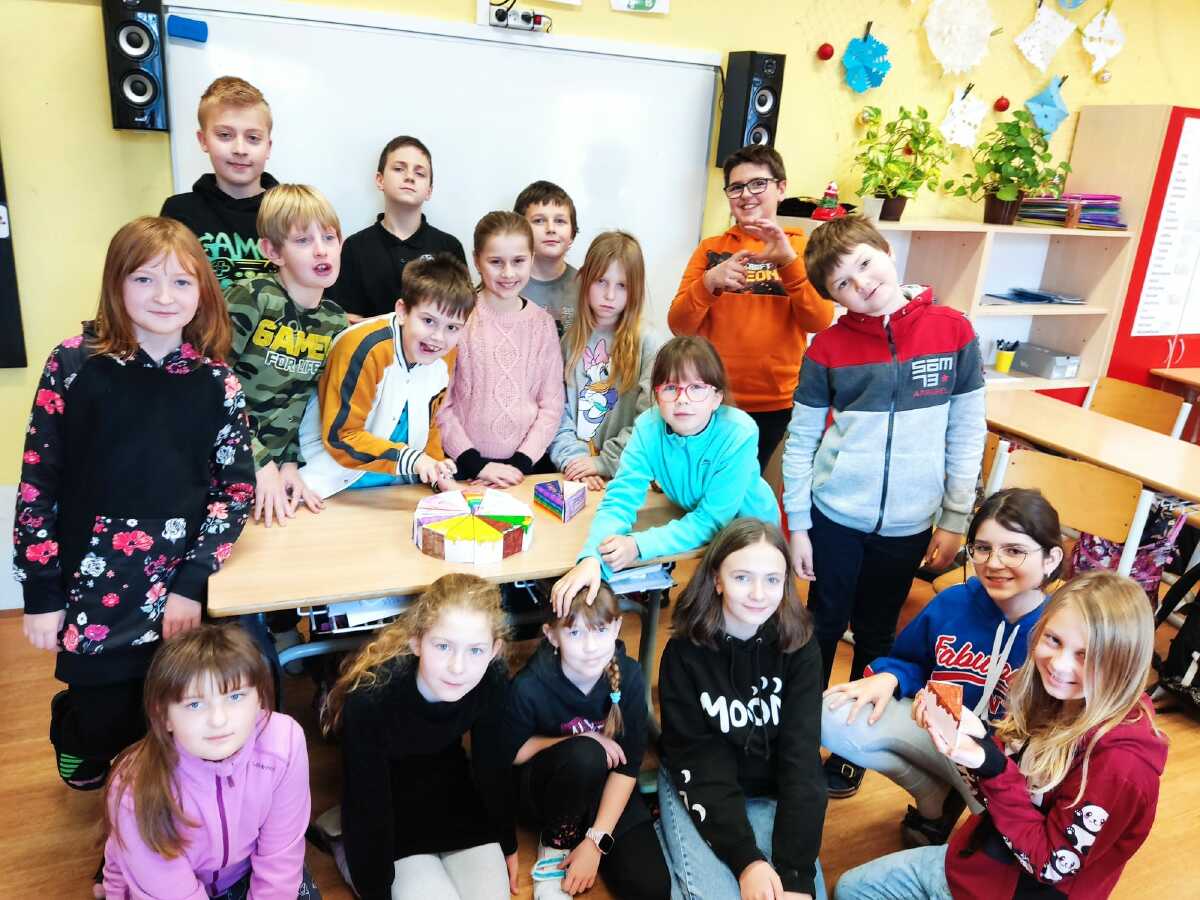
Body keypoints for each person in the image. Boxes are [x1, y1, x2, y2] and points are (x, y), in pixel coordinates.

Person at [15, 217, 254, 797]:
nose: (164, 296)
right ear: (116, 284)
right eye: (145, 279)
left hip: (176, 584)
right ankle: (75, 732)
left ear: (202, 291)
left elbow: (235, 492)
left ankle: (152, 803)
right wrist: (42, 594)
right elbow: (38, 484)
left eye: (181, 282)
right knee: (101, 721)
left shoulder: (217, 381)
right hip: (91, 582)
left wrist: (192, 583)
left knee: (172, 716)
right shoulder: (73, 364)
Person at [834, 571, 1168, 900]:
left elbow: (1049, 864)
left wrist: (991, 766)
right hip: (976, 865)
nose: (1059, 665)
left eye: (1086, 655)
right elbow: (1000, 793)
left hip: (1017, 888)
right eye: (1054, 640)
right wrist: (978, 744)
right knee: (850, 888)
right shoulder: (1052, 694)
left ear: (1124, 662)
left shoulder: (1122, 768)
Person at [782, 214, 986, 713]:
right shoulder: (826, 349)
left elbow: (966, 432)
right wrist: (799, 526)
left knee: (877, 632)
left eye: (865, 264)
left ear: (887, 251)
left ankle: (853, 739)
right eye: (842, 284)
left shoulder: (953, 331)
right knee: (822, 624)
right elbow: (801, 441)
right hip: (835, 516)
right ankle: (802, 731)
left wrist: (955, 517)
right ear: (833, 297)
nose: (861, 284)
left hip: (910, 522)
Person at [821, 488, 1064, 845]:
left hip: (1005, 764)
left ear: (1050, 558)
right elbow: (911, 660)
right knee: (833, 711)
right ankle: (933, 802)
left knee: (1004, 842)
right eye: (983, 548)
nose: (994, 562)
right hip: (940, 732)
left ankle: (975, 819)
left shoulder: (1060, 629)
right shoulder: (954, 602)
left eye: (1014, 550)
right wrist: (890, 676)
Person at [657, 518, 827, 900]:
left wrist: (795, 874)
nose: (758, 594)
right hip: (698, 779)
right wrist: (746, 860)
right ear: (716, 580)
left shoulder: (801, 647)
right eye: (741, 578)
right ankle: (666, 830)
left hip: (769, 788)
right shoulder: (684, 653)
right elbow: (699, 758)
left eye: (772, 579)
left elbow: (802, 761)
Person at [321, 574, 518, 900]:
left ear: (494, 650)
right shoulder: (371, 699)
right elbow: (368, 804)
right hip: (387, 799)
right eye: (443, 646)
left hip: (450, 788)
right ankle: (339, 837)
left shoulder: (492, 678)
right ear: (416, 642)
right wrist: (376, 889)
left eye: (475, 650)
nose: (458, 667)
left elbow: (492, 766)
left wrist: (507, 843)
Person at [551, 335, 778, 614]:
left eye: (696, 388)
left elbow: (711, 519)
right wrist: (592, 557)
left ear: (717, 397)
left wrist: (638, 545)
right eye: (671, 388)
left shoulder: (739, 432)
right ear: (657, 395)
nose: (682, 400)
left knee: (737, 614)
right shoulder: (647, 428)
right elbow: (620, 500)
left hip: (752, 530)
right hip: (699, 522)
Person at [102, 625, 317, 899]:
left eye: (235, 697)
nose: (218, 720)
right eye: (195, 704)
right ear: (163, 715)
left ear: (258, 700)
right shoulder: (133, 788)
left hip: (244, 872)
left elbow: (280, 857)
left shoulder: (284, 741)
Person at [669, 144, 834, 472]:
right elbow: (679, 325)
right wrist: (709, 282)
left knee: (744, 486)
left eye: (758, 184)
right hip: (711, 398)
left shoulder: (802, 248)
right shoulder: (711, 250)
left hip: (775, 403)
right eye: (736, 187)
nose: (746, 194)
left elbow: (820, 320)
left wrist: (787, 262)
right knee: (701, 481)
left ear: (781, 188)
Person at [504, 582, 670, 900]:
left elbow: (627, 767)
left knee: (650, 888)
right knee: (587, 754)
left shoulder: (629, 676)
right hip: (548, 792)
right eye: (575, 632)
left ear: (617, 627)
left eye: (600, 630)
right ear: (552, 635)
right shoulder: (530, 685)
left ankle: (584, 837)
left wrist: (596, 842)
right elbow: (511, 752)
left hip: (604, 788)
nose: (591, 647)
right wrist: (583, 737)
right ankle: (556, 844)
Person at [298, 252, 474, 497]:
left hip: (399, 485)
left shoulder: (444, 353)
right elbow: (341, 437)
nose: (438, 337)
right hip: (331, 484)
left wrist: (439, 475)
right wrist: (415, 460)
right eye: (428, 321)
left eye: (452, 327)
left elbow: (429, 423)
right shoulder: (363, 347)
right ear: (402, 311)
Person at [225, 183, 349, 526]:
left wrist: (290, 462)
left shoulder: (334, 321)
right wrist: (259, 461)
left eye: (329, 238)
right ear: (273, 251)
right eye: (303, 240)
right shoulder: (253, 297)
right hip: (226, 461)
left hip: (275, 473)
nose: (321, 251)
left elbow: (303, 402)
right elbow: (207, 388)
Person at [436, 210, 563, 485]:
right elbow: (440, 404)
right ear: (476, 261)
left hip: (526, 469)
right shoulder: (457, 318)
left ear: (532, 258)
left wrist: (519, 464)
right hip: (463, 466)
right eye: (495, 262)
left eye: (518, 261)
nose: (508, 273)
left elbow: (552, 406)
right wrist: (476, 465)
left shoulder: (543, 324)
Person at [549, 231, 663, 491]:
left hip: (630, 476)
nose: (610, 295)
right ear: (586, 280)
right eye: (601, 281)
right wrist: (574, 460)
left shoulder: (649, 342)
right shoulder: (569, 342)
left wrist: (605, 462)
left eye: (622, 285)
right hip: (578, 474)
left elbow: (652, 418)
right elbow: (557, 412)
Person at [329, 135, 467, 321]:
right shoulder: (355, 247)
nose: (409, 177)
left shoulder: (449, 247)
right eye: (399, 169)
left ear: (429, 190)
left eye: (420, 173)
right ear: (380, 180)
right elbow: (348, 319)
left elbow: (460, 317)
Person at [160, 76, 278, 288]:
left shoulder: (292, 213)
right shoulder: (179, 212)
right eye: (225, 135)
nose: (240, 149)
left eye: (253, 138)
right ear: (203, 140)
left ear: (268, 147)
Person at [515, 180, 579, 334]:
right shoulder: (506, 284)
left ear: (572, 234)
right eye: (539, 221)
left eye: (560, 221)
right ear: (519, 231)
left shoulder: (587, 286)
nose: (551, 229)